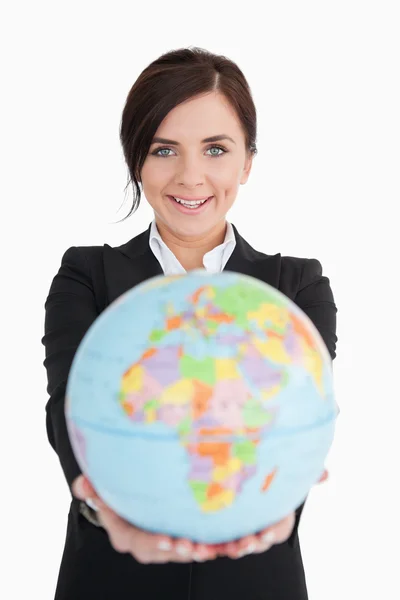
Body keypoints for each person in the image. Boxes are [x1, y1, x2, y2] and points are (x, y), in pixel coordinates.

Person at [42, 46, 337, 600]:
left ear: (247, 162)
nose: (191, 176)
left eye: (215, 149)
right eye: (164, 150)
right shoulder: (86, 275)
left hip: (255, 580)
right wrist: (107, 514)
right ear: (137, 160)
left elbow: (296, 418)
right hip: (111, 578)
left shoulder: (297, 287)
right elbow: (68, 411)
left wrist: (283, 508)